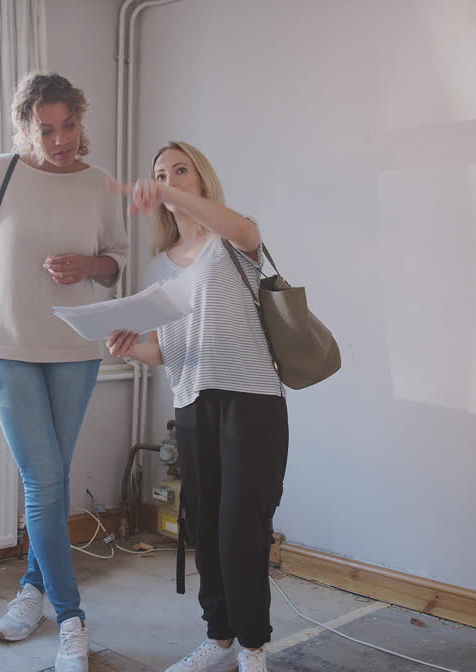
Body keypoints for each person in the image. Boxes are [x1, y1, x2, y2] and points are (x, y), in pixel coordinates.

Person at [0, 72, 129, 672]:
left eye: (70, 126)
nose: (61, 141)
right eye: (46, 129)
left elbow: (116, 264)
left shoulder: (100, 184)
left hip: (77, 350)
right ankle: (72, 618)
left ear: (82, 120)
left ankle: (31, 591)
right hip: (9, 347)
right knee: (44, 482)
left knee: (50, 481)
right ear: (23, 128)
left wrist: (89, 263)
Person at [106, 142, 288, 672]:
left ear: (202, 180)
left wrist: (166, 192)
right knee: (205, 527)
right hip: (192, 402)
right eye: (160, 174)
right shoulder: (160, 267)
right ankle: (220, 640)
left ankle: (254, 647)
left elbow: (248, 231)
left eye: (180, 171)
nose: (169, 180)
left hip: (250, 400)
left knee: (241, 529)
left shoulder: (232, 240)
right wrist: (129, 349)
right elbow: (166, 349)